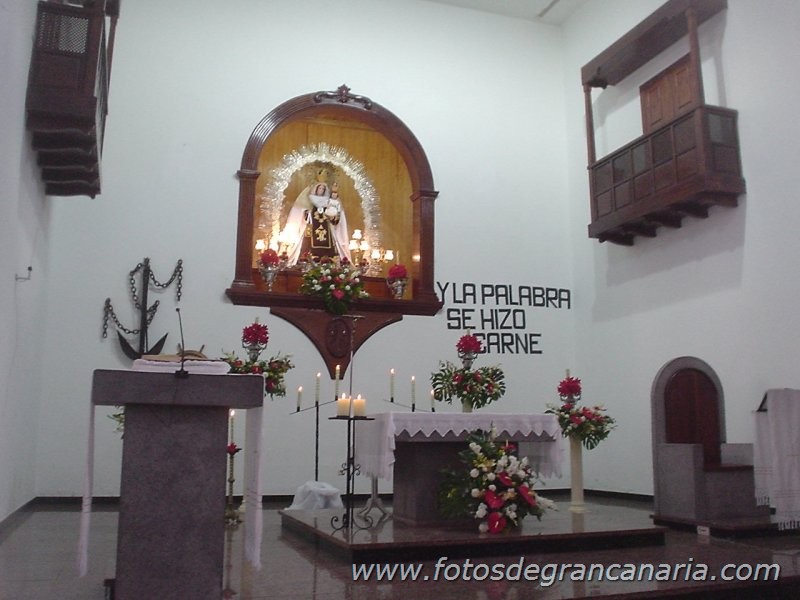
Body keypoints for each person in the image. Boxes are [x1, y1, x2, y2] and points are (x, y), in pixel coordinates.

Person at [282, 166, 351, 265]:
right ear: (316, 189)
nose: (321, 190)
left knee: (329, 249)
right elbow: (303, 215)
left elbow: (334, 218)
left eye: (323, 189)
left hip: (327, 233)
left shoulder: (328, 203)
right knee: (308, 248)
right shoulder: (309, 200)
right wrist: (308, 213)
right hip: (312, 232)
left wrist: (333, 202)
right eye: (320, 188)